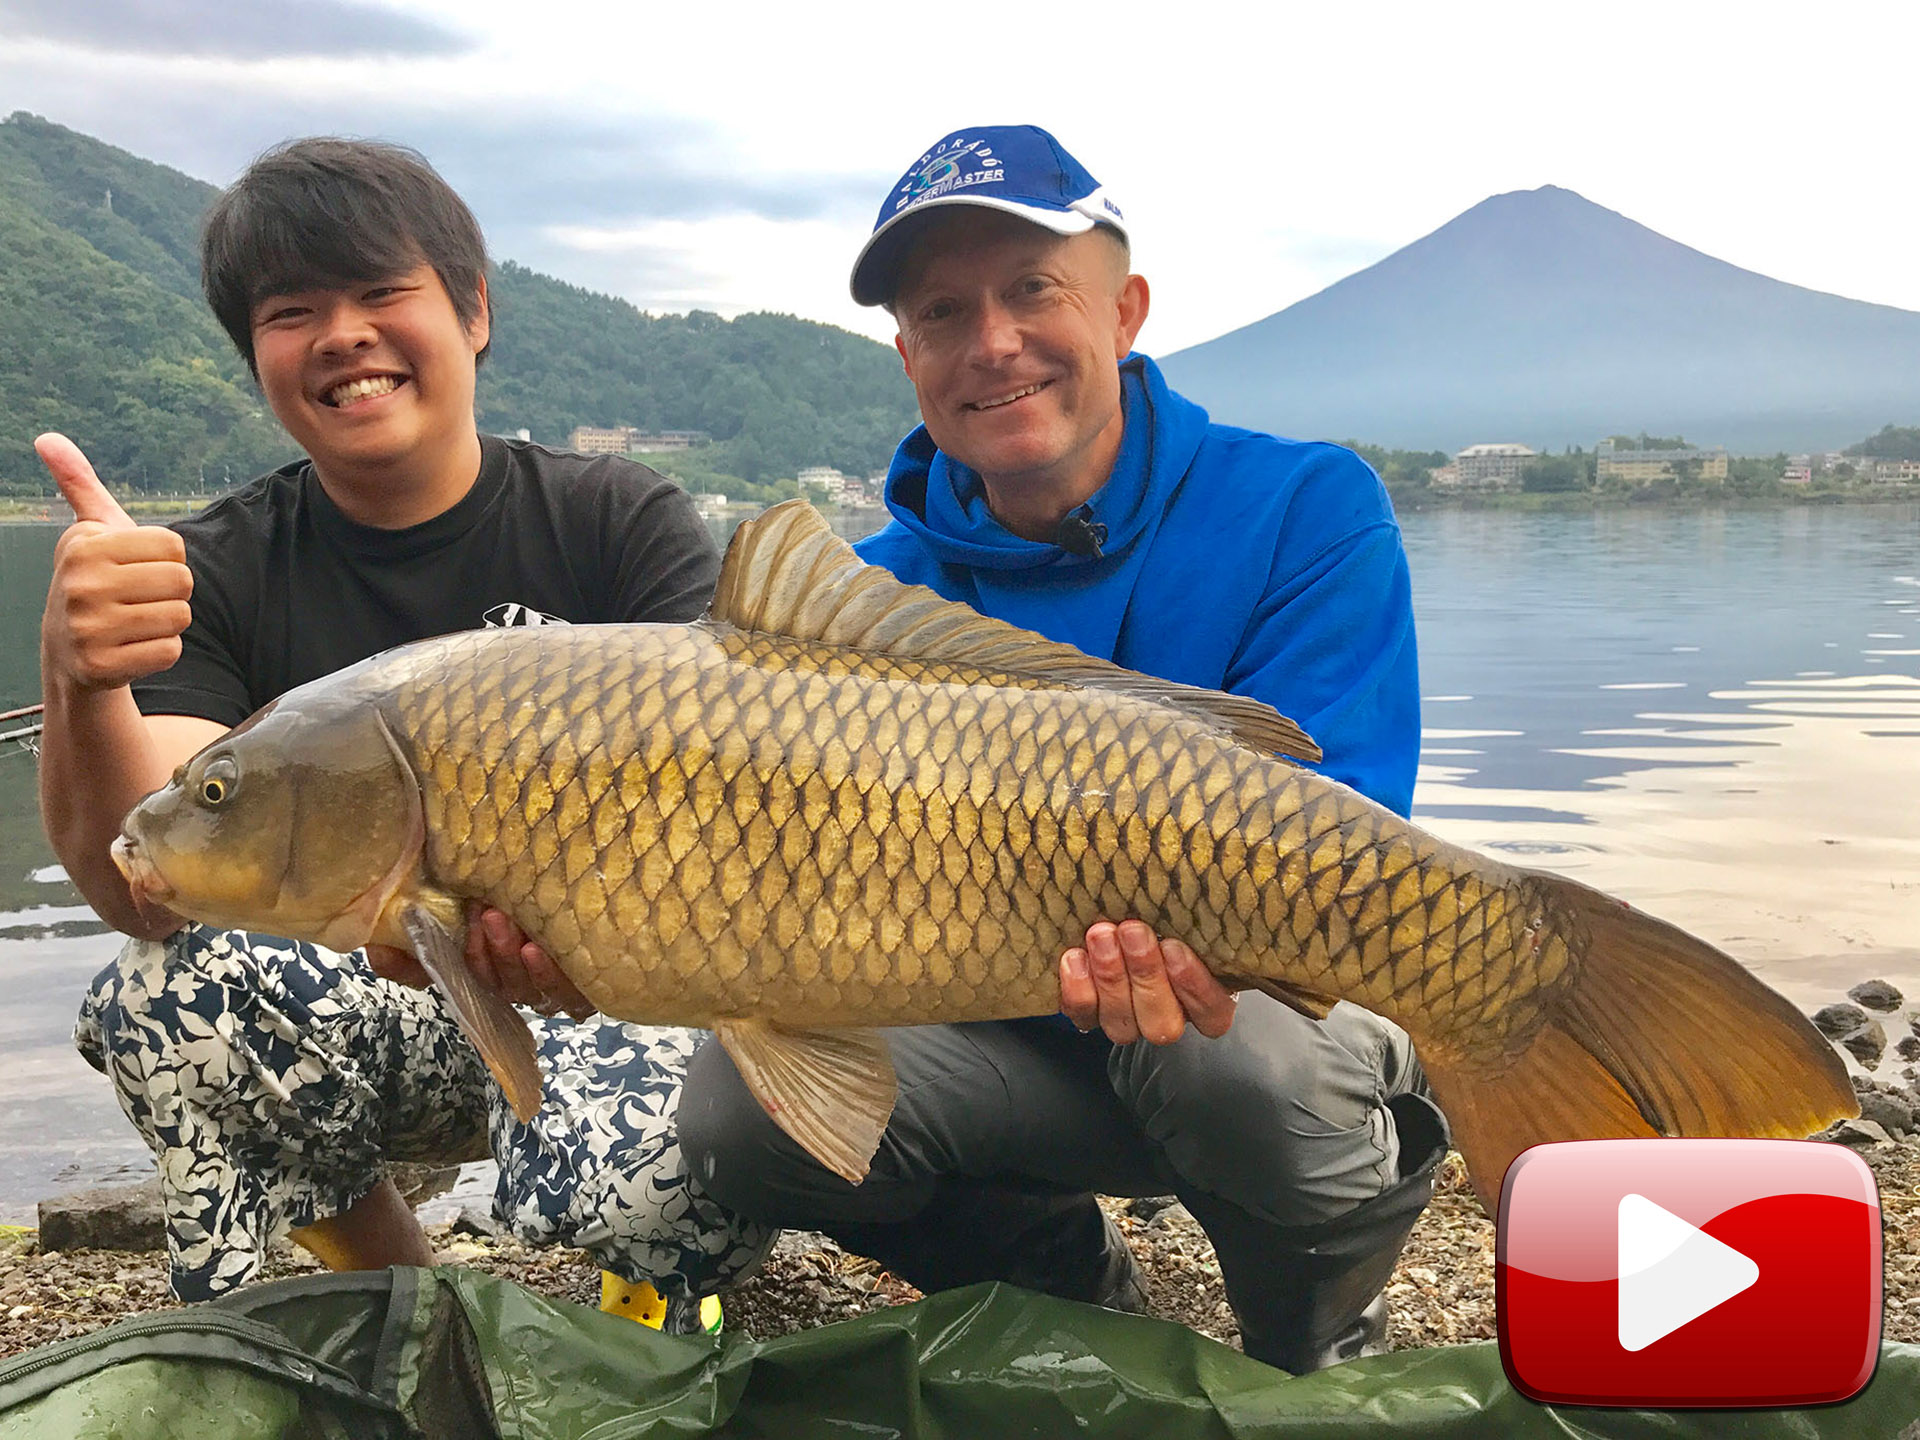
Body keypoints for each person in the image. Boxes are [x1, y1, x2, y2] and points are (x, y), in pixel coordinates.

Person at [675, 125, 1449, 1373]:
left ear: (1126, 309)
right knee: (732, 1115)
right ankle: (1065, 1291)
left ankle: (1315, 1347)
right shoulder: (866, 603)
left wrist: (1198, 931)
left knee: (1233, 1072)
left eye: (1033, 289)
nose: (993, 342)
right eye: (943, 311)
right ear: (909, 357)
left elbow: (1347, 835)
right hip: (1006, 1048)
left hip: (1238, 1026)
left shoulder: (1307, 504)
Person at [35, 137, 770, 1325]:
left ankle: (653, 1292)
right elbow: (152, 882)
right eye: (293, 311)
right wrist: (78, 680)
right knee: (165, 997)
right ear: (257, 356)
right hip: (388, 1005)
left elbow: (748, 799)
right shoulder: (213, 567)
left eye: (383, 294)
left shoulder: (613, 517)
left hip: (614, 978)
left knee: (682, 1107)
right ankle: (403, 1296)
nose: (344, 335)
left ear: (472, 313)